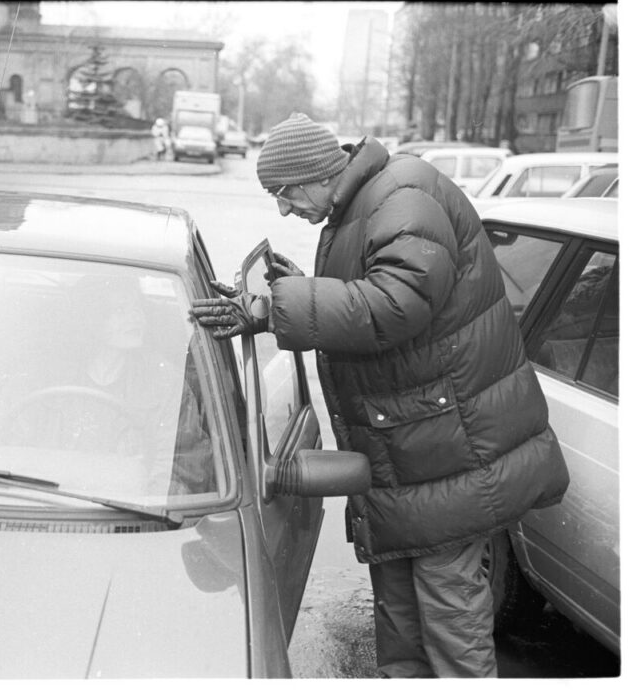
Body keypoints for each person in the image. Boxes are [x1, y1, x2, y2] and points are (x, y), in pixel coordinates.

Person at [189, 112, 569, 678]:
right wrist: (304, 286)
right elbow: (376, 287)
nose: (284, 208)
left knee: (449, 623)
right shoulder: (369, 202)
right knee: (403, 621)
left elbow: (395, 303)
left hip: (447, 459)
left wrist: (273, 308)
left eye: (284, 193)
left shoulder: (404, 194)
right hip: (417, 453)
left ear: (316, 174)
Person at [0, 275, 214, 497]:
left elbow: (184, 464)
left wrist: (148, 502)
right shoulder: (40, 375)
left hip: (129, 517)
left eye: (138, 308)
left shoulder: (165, 382)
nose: (136, 318)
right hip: (41, 508)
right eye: (120, 310)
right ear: (91, 319)